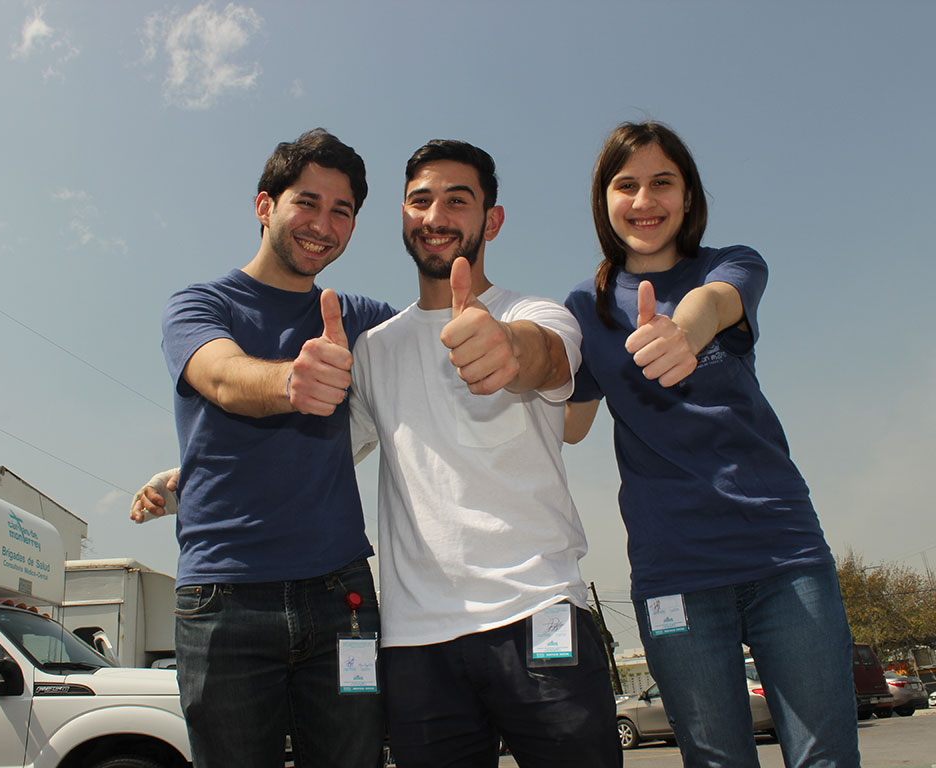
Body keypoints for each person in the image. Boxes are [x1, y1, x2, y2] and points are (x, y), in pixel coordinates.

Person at [564, 121, 858, 767]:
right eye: (626, 185)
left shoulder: (733, 263)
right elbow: (570, 424)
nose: (644, 201)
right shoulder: (586, 308)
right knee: (716, 760)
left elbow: (717, 302)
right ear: (603, 200)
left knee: (826, 757)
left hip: (783, 552)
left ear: (689, 197)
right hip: (675, 573)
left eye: (662, 183)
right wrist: (500, 369)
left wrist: (682, 329)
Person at [348, 139, 620, 768]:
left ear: (491, 221)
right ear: (402, 215)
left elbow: (546, 357)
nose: (436, 216)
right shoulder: (375, 350)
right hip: (417, 642)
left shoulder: (537, 312)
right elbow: (323, 455)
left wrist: (506, 347)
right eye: (420, 200)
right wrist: (196, 472)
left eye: (457, 200)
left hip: (538, 615)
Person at [156, 128, 395, 768]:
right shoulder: (199, 304)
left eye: (341, 211)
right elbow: (224, 378)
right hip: (224, 604)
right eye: (306, 203)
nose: (323, 224)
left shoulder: (362, 316)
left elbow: (438, 355)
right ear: (265, 205)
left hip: (342, 600)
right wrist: (292, 381)